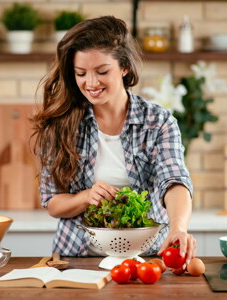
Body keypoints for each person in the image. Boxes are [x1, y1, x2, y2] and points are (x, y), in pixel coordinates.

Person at [32, 15, 196, 263]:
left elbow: (173, 181)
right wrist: (86, 197)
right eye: (80, 73)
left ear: (124, 67)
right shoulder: (61, 124)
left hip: (147, 258)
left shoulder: (158, 122)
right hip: (77, 259)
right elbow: (53, 203)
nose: (91, 83)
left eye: (102, 71)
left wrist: (179, 227)